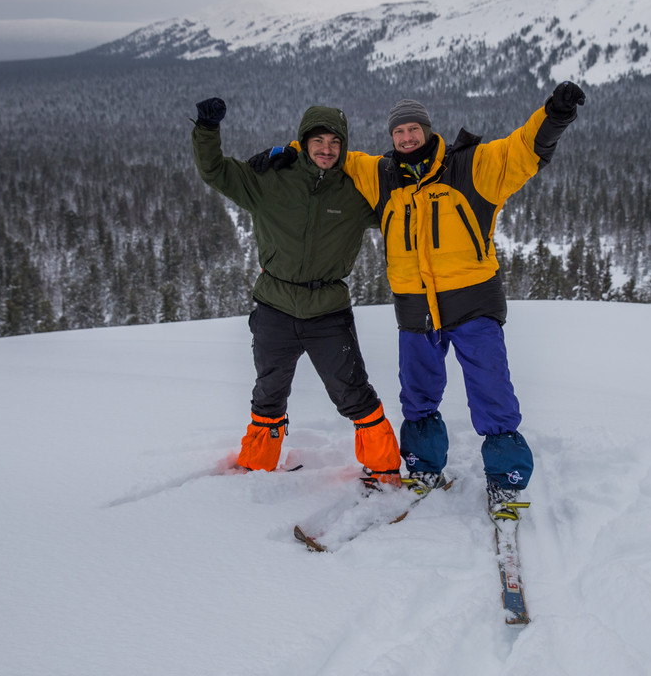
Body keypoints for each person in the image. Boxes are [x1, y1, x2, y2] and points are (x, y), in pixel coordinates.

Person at [252, 82, 586, 517]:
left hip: (473, 302)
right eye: (399, 132)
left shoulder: (471, 167)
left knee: (491, 392)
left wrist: (554, 115)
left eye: (414, 129)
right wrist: (287, 152)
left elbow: (522, 149)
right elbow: (330, 153)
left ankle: (506, 477)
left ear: (428, 131)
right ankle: (424, 466)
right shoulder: (381, 175)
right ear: (391, 138)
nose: (407, 138)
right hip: (414, 308)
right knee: (419, 395)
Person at [191, 97, 402, 484]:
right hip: (275, 307)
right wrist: (207, 129)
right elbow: (215, 171)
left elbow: (402, 204)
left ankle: (385, 469)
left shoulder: (355, 192)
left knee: (353, 394)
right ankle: (257, 467)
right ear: (303, 142)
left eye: (335, 143)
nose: (326, 149)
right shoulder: (270, 180)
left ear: (344, 146)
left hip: (327, 312)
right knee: (268, 394)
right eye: (318, 141)